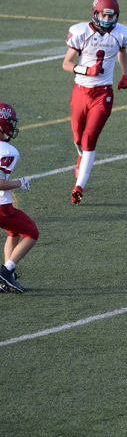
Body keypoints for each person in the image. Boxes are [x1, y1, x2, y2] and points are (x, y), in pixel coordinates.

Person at [62, 0, 127, 205]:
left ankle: (79, 186)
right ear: (95, 14)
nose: (108, 20)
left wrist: (125, 74)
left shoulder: (121, 33)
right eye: (104, 15)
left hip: (103, 93)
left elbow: (122, 51)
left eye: (111, 16)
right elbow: (66, 63)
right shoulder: (81, 32)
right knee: (77, 137)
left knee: (89, 140)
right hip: (81, 90)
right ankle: (81, 156)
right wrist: (86, 70)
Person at [0, 103, 39, 294]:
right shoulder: (7, 151)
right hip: (1, 208)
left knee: (13, 231)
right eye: (9, 122)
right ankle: (6, 272)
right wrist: (19, 183)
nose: (11, 126)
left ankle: (8, 276)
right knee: (32, 233)